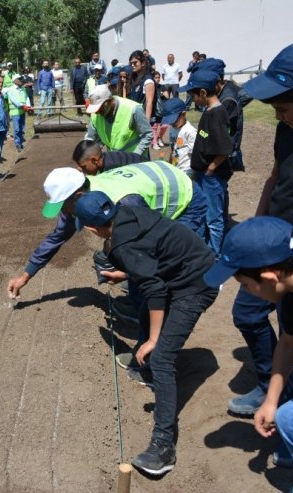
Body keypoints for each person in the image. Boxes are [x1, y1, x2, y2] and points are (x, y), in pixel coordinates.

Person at [75, 191, 217, 476]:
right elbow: (154, 255)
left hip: (197, 285)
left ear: (90, 228)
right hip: (194, 265)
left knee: (163, 357)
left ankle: (164, 446)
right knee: (145, 315)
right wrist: (128, 274)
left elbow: (154, 289)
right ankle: (149, 368)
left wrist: (153, 340)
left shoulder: (123, 245)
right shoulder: (130, 211)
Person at [224, 42, 293, 427]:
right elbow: (276, 178)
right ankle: (273, 390)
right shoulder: (286, 130)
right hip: (271, 249)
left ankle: (292, 424)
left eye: (283, 108)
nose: (278, 115)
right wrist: (257, 226)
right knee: (249, 312)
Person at [203, 217, 293, 491]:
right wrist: (271, 400)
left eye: (246, 285)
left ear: (268, 276)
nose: (248, 293)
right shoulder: (291, 291)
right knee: (289, 419)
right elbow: (289, 342)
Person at [6, 164, 206, 299]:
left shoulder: (125, 203)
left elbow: (148, 246)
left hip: (184, 196)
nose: (63, 213)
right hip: (158, 179)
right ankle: (141, 303)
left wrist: (129, 273)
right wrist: (25, 276)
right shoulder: (82, 198)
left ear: (78, 195)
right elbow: (56, 238)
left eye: (63, 207)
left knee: (169, 258)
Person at [181, 69, 233, 256]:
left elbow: (225, 148)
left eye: (194, 95)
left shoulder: (217, 114)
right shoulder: (209, 111)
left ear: (203, 93)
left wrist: (211, 168)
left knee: (213, 218)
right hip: (203, 173)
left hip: (212, 176)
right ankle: (203, 249)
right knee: (203, 212)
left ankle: (215, 255)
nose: (193, 99)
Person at [83, 84, 152, 156]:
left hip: (135, 159)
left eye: (100, 108)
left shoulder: (133, 109)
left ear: (109, 101)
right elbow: (91, 140)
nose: (97, 112)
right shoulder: (96, 115)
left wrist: (136, 156)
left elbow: (147, 134)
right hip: (114, 160)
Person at [160, 98, 196, 177]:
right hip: (176, 167)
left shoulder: (190, 132)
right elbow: (173, 149)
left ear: (183, 114)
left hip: (187, 170)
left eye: (174, 120)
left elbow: (194, 155)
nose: (172, 123)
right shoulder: (172, 129)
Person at [71, 139, 143, 176]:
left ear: (94, 160)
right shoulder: (106, 157)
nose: (81, 170)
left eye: (84, 167)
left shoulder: (112, 169)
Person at [128, 50, 156, 135]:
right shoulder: (135, 79)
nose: (132, 65)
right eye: (131, 63)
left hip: (143, 120)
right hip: (136, 118)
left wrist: (146, 125)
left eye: (135, 63)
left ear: (143, 63)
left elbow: (149, 103)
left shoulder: (148, 80)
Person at [7, 74, 30, 152]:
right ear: (15, 80)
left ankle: (21, 142)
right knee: (17, 129)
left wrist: (28, 105)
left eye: (21, 79)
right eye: (19, 79)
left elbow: (26, 97)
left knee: (22, 128)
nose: (21, 80)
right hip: (15, 112)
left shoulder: (23, 88)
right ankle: (18, 144)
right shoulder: (11, 89)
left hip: (23, 111)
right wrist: (22, 105)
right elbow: (14, 100)